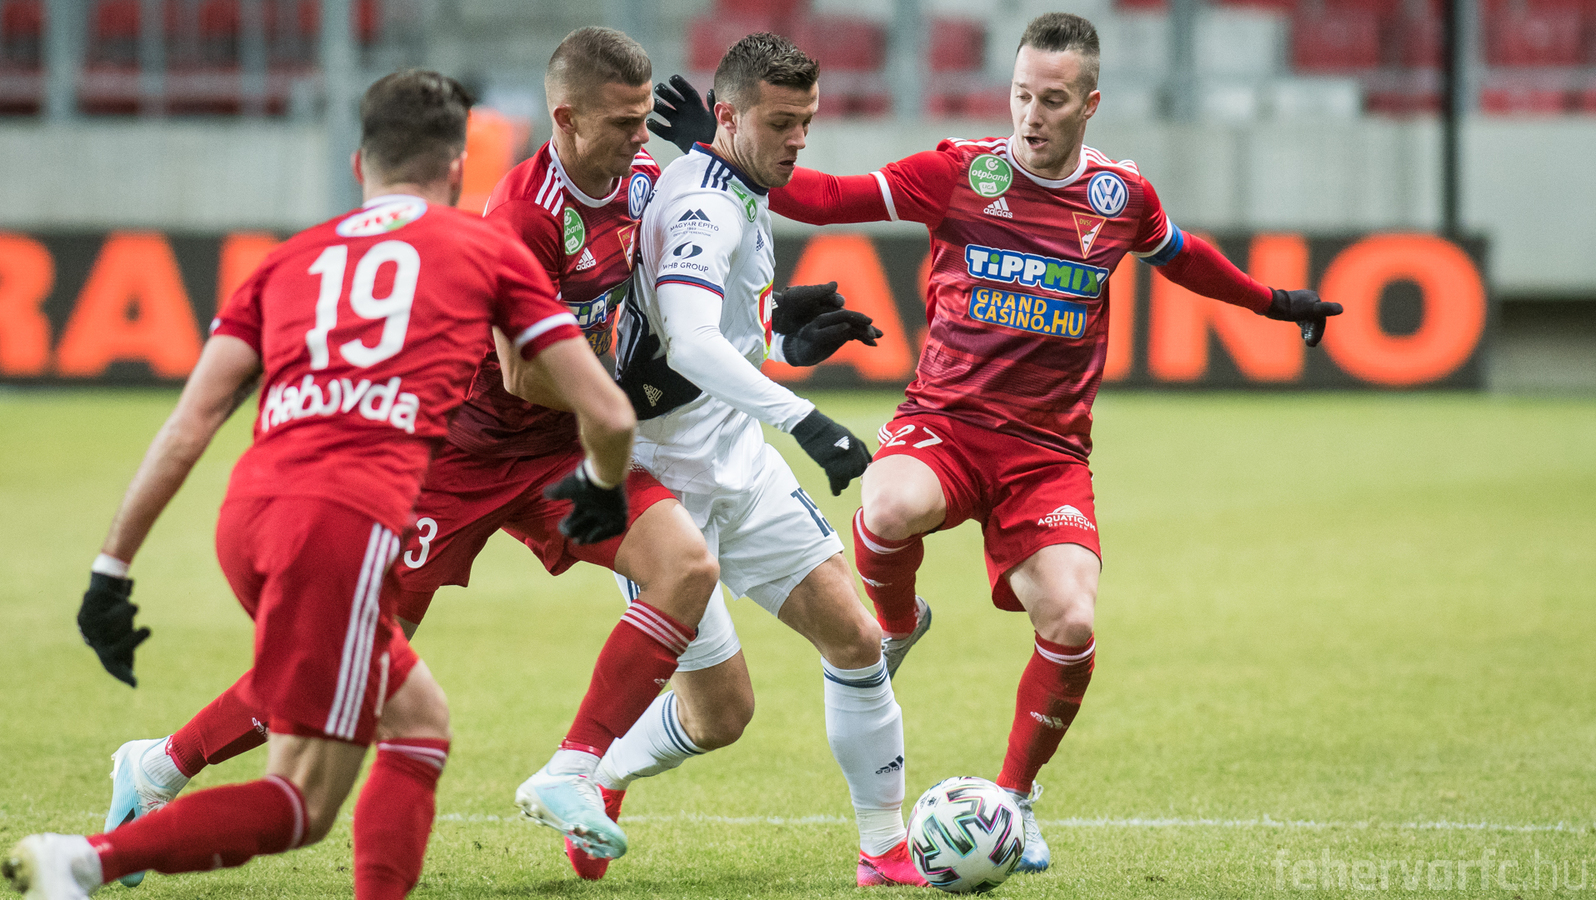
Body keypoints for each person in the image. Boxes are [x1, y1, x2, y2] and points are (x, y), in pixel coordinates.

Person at [649, 13, 1344, 875]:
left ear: (1090, 104)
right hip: (946, 422)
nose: (1031, 115)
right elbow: (824, 199)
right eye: (1020, 95)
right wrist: (717, 152)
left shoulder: (1120, 198)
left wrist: (1274, 303)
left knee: (1073, 622)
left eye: (1052, 100)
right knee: (885, 507)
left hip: (1049, 454)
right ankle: (898, 624)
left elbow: (1183, 256)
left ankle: (1014, 800)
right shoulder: (960, 174)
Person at [86, 27, 728, 880]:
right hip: (458, 459)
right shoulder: (519, 216)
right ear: (566, 119)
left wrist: (717, 181)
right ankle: (160, 764)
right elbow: (522, 375)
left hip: (555, 453)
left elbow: (700, 256)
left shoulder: (645, 175)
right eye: (622, 122)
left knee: (685, 567)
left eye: (645, 119)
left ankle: (575, 768)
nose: (640, 138)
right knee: (344, 664)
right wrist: (630, 393)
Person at [597, 31, 924, 888]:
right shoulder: (703, 206)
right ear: (729, 116)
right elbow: (690, 342)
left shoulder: (739, 186)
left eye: (807, 120)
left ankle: (885, 849)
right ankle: (603, 773)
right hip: (661, 484)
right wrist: (806, 420)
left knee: (858, 639)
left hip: (737, 459)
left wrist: (781, 335)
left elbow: (715, 327)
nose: (799, 140)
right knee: (722, 716)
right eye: (781, 122)